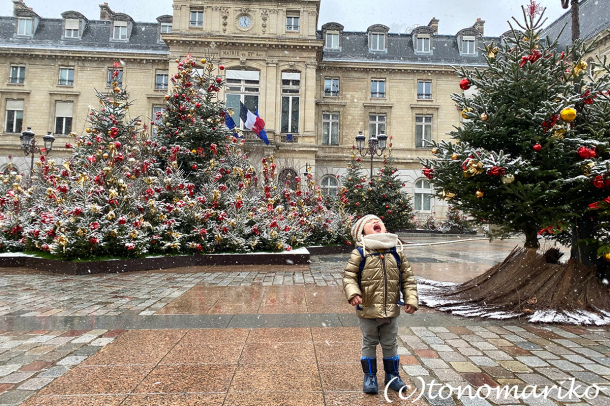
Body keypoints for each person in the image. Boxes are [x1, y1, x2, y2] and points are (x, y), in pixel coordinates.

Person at [343, 214, 418, 394]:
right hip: (367, 308)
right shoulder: (360, 252)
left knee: (390, 342)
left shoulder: (396, 251)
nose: (376, 222)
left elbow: (407, 279)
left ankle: (392, 375)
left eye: (379, 222)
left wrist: (411, 299)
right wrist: (353, 293)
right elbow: (349, 276)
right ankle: (370, 376)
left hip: (391, 309)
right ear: (361, 232)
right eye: (369, 222)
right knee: (369, 341)